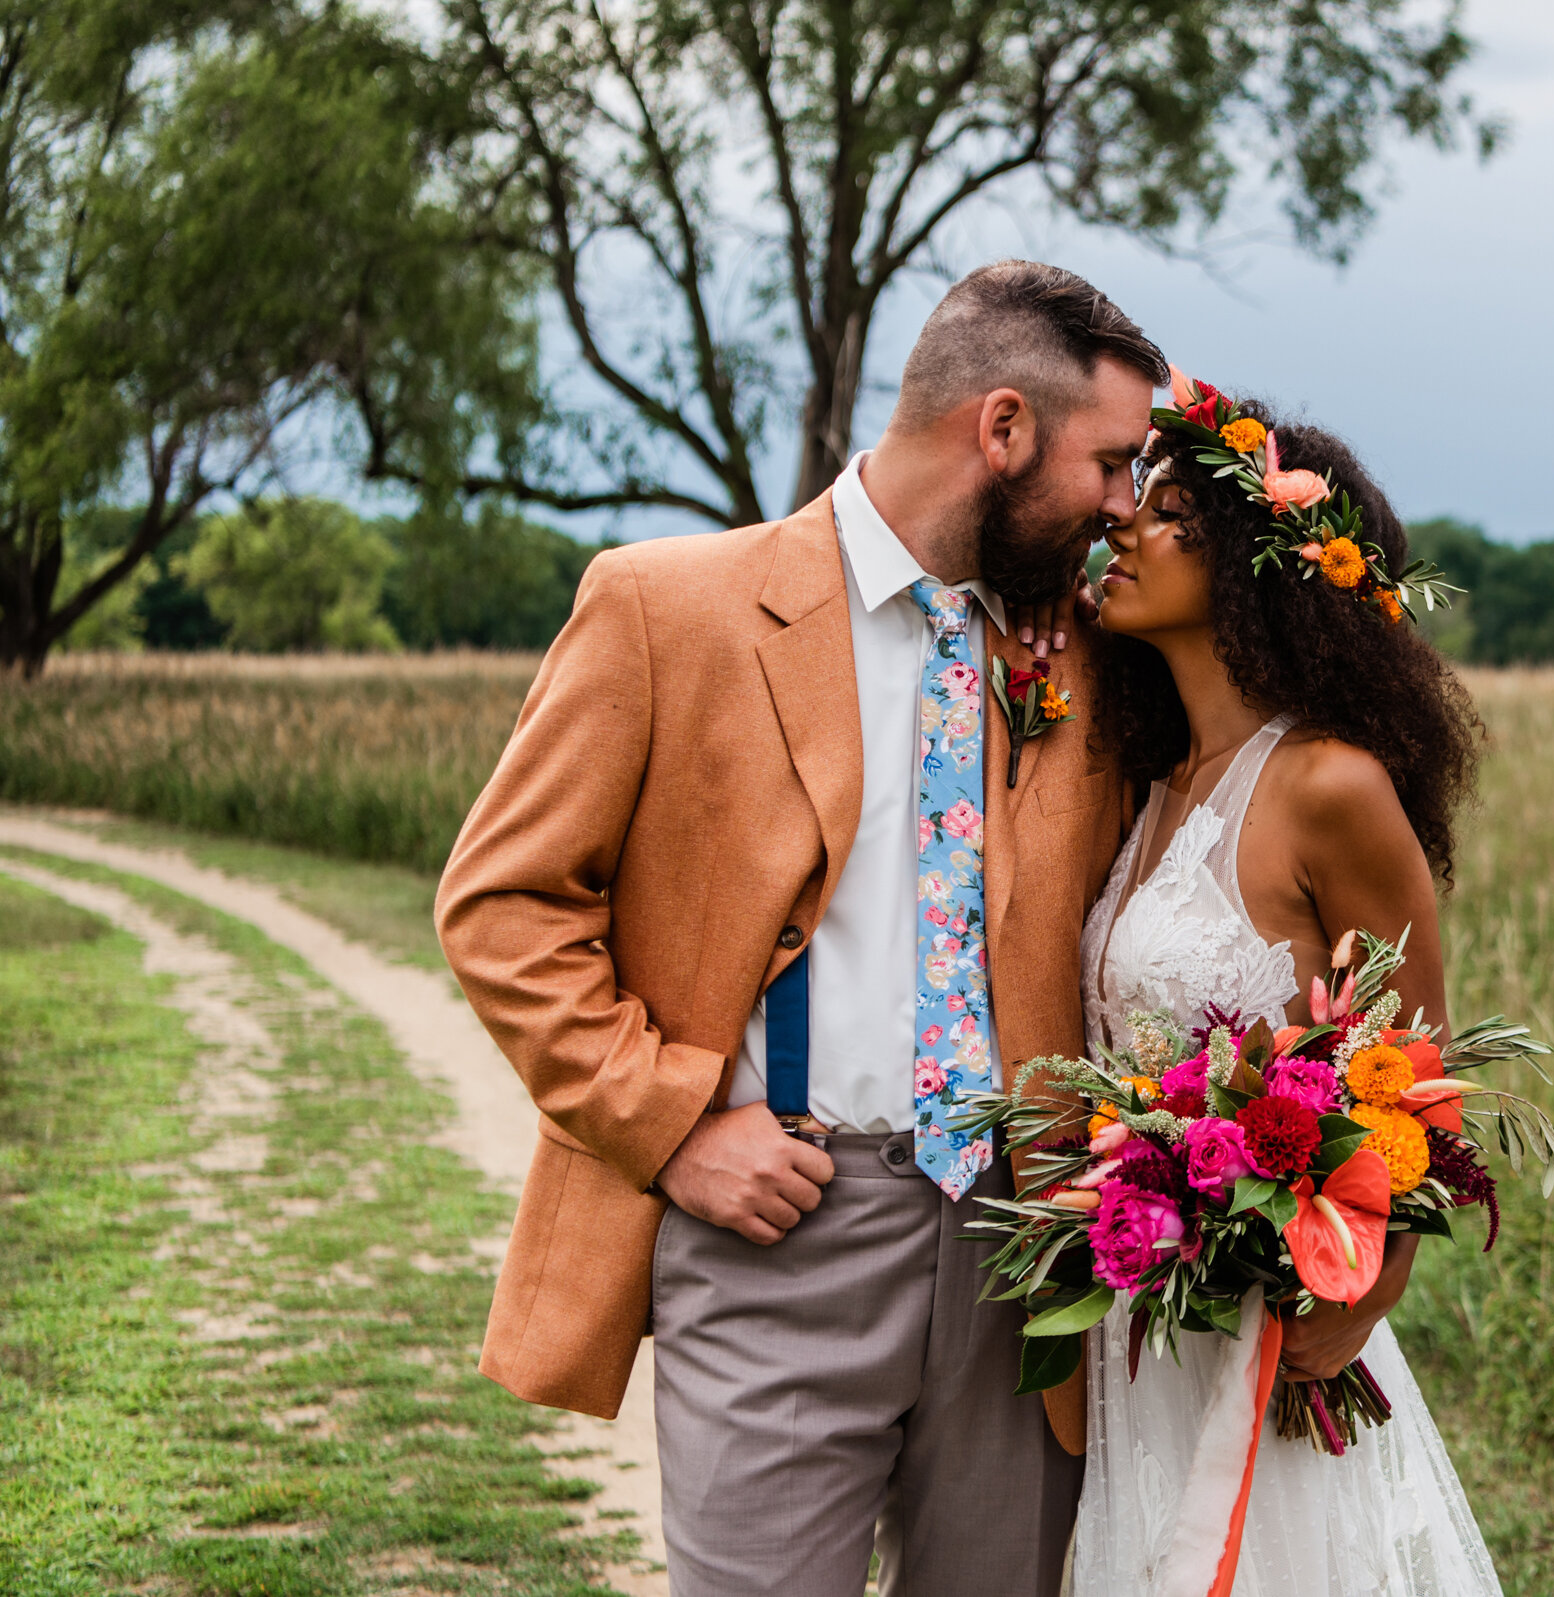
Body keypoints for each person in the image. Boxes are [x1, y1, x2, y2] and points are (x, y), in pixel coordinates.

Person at [434, 259, 1164, 1597]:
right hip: (780, 1235)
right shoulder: (666, 608)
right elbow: (500, 901)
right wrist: (674, 1120)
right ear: (1000, 430)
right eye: (1111, 463)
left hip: (1025, 1251)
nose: (1125, 506)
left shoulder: (1090, 650)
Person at [1074, 389, 1500, 1593]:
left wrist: (1369, 1294)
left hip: (1275, 1321)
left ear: (1260, 566)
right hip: (1136, 1318)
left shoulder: (1332, 785)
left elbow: (1415, 1071)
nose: (1124, 529)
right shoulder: (1152, 780)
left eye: (1167, 516)